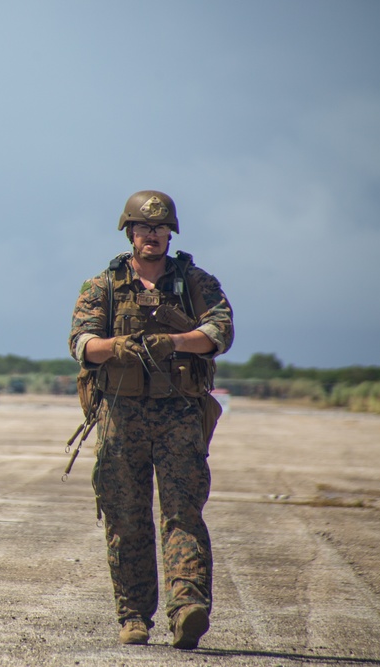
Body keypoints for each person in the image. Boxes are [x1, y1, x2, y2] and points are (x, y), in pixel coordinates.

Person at [68, 190, 233, 650]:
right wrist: (115, 347)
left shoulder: (195, 282)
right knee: (126, 517)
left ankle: (188, 608)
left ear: (170, 234)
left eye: (161, 229)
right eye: (145, 229)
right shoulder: (102, 285)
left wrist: (176, 342)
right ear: (130, 233)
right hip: (121, 417)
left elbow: (220, 331)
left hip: (179, 414)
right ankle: (134, 615)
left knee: (183, 513)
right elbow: (80, 342)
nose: (153, 236)